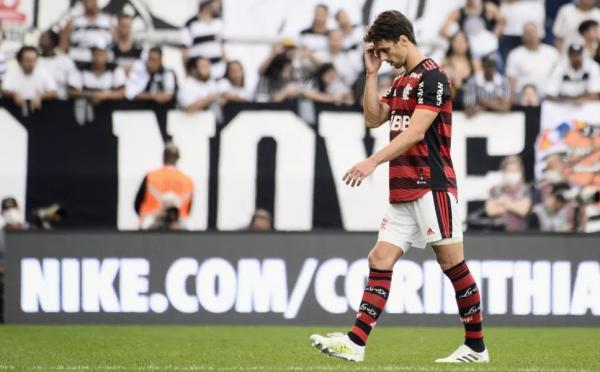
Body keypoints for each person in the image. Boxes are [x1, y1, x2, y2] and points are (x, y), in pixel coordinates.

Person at [310, 10, 488, 364]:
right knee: (379, 259)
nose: (384, 56)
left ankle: (476, 347)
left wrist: (372, 161)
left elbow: (417, 132)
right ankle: (355, 343)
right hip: (403, 188)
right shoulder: (401, 79)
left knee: (453, 265)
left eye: (386, 50)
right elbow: (374, 117)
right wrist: (371, 75)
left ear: (404, 40)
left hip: (431, 185)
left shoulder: (434, 77)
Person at [134, 142, 194, 230]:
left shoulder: (151, 177)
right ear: (178, 158)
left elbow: (137, 205)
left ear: (163, 157)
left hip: (151, 228)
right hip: (178, 228)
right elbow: (188, 210)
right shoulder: (188, 181)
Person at [505, 22, 559, 104]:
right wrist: (511, 99)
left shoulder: (552, 52)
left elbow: (558, 76)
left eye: (533, 31)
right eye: (527, 32)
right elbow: (511, 78)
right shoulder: (515, 54)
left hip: (548, 97)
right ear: (522, 36)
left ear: (539, 34)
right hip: (523, 98)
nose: (530, 35)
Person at [439, 0, 504, 61]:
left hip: (488, 50)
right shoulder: (459, 12)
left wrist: (494, 36)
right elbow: (443, 30)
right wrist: (457, 40)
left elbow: (502, 21)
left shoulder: (487, 8)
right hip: (470, 53)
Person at [1, 46, 58, 115]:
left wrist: (41, 96)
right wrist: (14, 94)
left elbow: (54, 92)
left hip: (39, 114)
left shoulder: (43, 73)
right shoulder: (12, 74)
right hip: (15, 113)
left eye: (34, 60)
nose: (32, 63)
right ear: (20, 61)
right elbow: (4, 91)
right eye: (28, 60)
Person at [484, 155, 532, 232]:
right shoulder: (495, 190)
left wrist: (505, 202)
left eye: (515, 171)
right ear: (504, 172)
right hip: (498, 233)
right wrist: (514, 206)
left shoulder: (525, 189)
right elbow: (491, 211)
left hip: (520, 234)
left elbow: (523, 210)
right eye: (510, 171)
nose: (513, 174)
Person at [180, 0, 226, 79]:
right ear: (206, 3)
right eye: (216, 2)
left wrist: (226, 65)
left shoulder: (218, 22)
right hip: (200, 76)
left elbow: (221, 48)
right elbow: (184, 52)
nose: (219, 4)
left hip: (218, 72)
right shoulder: (190, 24)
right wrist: (187, 73)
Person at [59, 0, 113, 66]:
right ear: (82, 2)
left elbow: (115, 44)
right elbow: (63, 45)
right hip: (78, 66)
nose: (90, 3)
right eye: (87, 1)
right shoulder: (73, 21)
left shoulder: (107, 21)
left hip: (102, 68)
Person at [38, 29, 77, 100]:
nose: (41, 40)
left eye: (44, 38)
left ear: (53, 41)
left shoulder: (65, 60)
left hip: (60, 102)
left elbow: (74, 83)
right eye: (40, 38)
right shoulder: (36, 60)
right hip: (39, 101)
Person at [442, 31, 475, 110]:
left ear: (467, 43)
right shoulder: (446, 61)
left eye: (462, 41)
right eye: (457, 41)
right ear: (452, 43)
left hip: (470, 104)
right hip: (452, 103)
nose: (459, 44)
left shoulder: (474, 63)